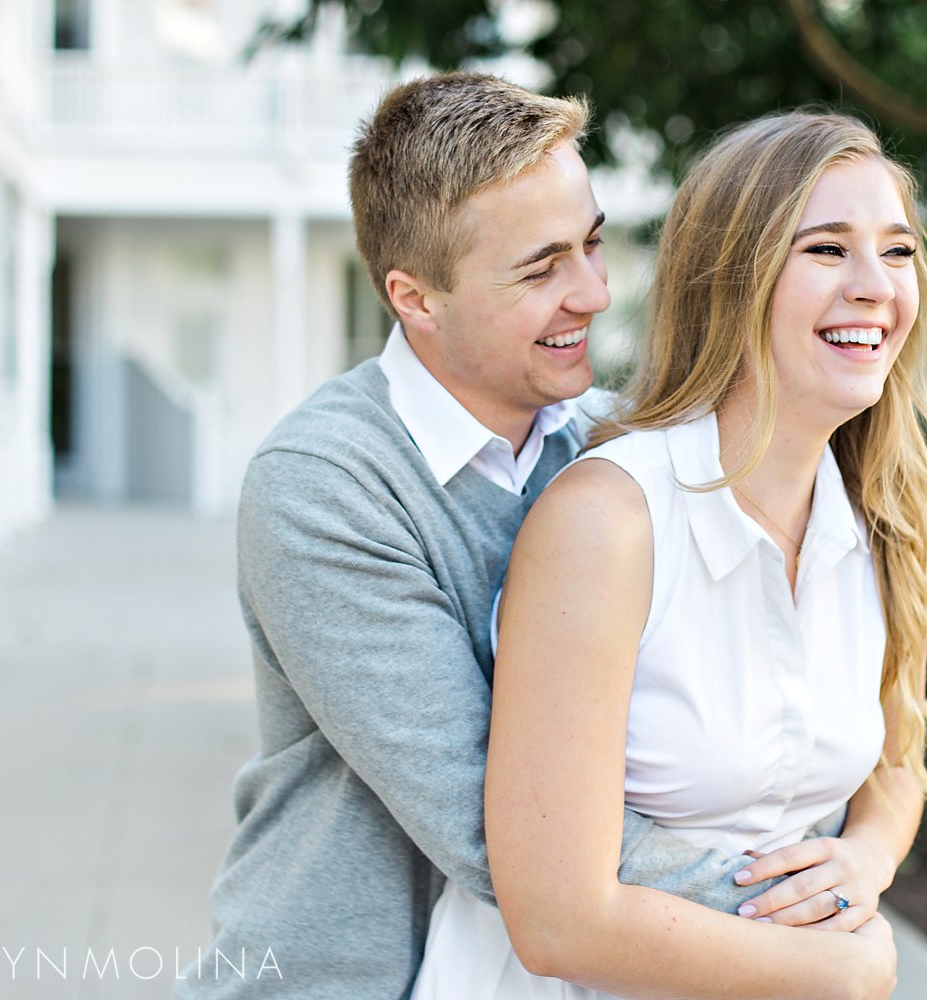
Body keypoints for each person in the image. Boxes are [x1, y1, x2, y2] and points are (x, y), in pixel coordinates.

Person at [179, 76, 884, 1000]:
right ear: (416, 299)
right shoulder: (326, 486)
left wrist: (854, 857)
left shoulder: (618, 446)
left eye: (591, 244)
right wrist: (809, 931)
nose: (592, 293)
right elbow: (504, 828)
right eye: (541, 268)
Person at [410, 111, 927, 999]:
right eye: (825, 250)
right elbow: (553, 920)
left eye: (897, 252)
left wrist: (863, 860)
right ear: (732, 280)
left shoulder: (893, 520)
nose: (875, 287)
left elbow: (894, 764)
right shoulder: (608, 523)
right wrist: (838, 973)